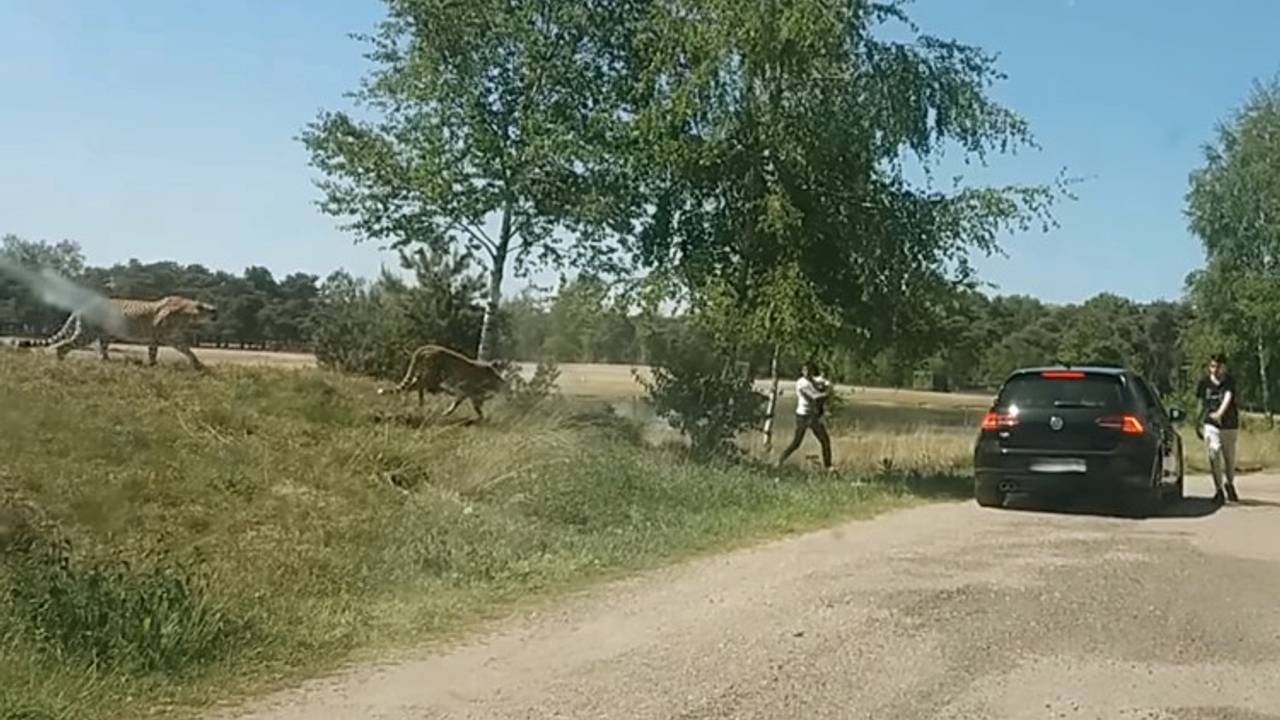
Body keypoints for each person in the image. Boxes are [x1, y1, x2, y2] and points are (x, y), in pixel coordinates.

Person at [1196, 353, 1240, 504]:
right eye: (1212, 366)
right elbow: (1201, 403)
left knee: (1229, 459)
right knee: (1213, 453)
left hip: (1229, 425)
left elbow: (1228, 396)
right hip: (1211, 424)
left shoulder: (1229, 382)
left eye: (1218, 366)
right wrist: (1198, 421)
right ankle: (1218, 490)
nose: (1215, 370)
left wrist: (1220, 413)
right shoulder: (1204, 383)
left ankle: (1230, 484)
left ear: (1224, 368)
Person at [777, 361, 833, 471]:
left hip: (813, 416)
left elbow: (826, 383)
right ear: (802, 371)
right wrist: (825, 393)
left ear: (812, 371)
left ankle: (828, 466)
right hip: (803, 416)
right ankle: (780, 460)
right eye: (804, 370)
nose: (806, 373)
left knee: (825, 440)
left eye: (808, 370)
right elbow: (813, 397)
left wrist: (826, 384)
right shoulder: (801, 383)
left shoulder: (814, 380)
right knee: (796, 443)